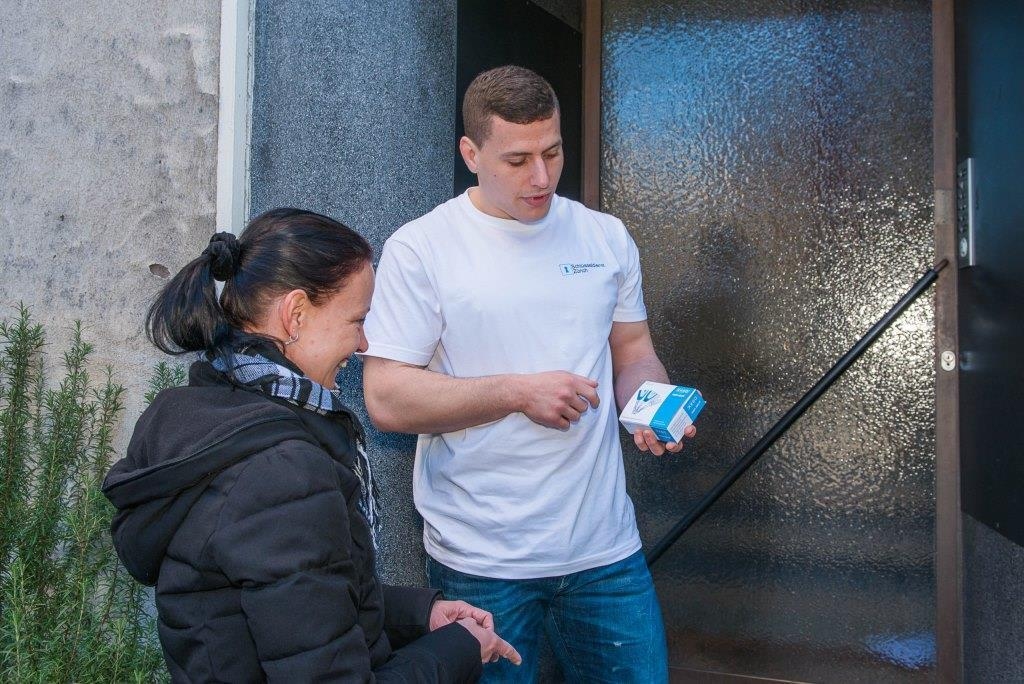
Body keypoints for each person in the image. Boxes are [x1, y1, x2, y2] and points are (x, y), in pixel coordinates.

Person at [361, 66, 697, 683]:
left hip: (605, 551)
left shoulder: (605, 236)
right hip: (482, 560)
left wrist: (654, 401)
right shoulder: (422, 248)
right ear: (471, 153)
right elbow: (385, 397)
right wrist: (516, 393)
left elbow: (633, 351)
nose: (540, 177)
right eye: (517, 160)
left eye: (553, 152)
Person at [102, 208, 521, 682]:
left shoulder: (210, 414)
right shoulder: (281, 470)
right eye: (357, 320)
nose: (364, 343)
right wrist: (461, 648)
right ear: (295, 314)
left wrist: (419, 615)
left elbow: (294, 599)